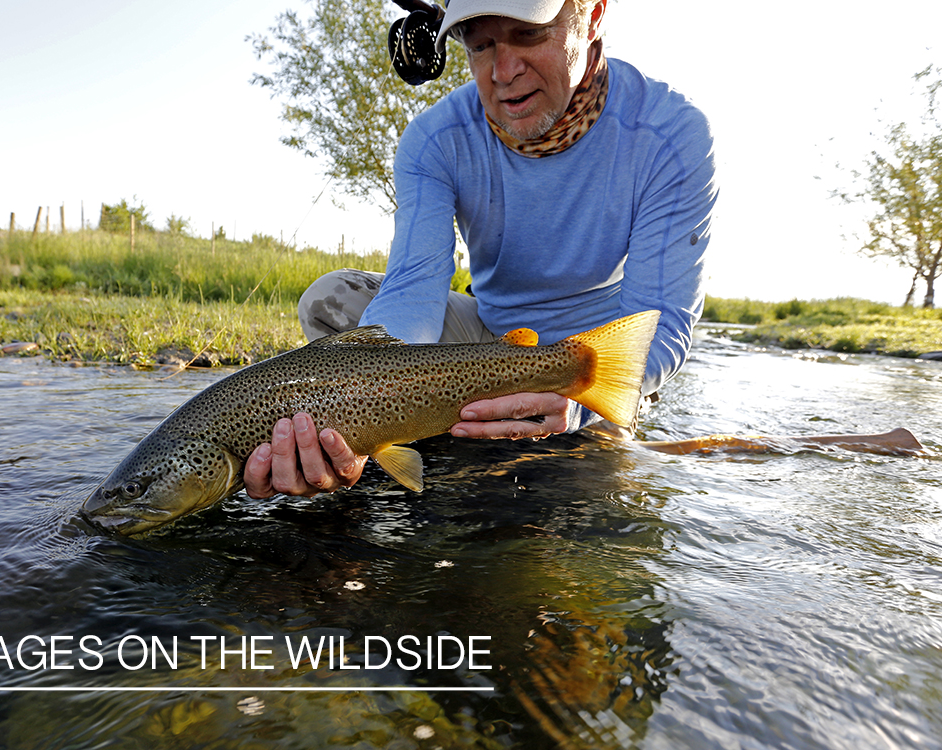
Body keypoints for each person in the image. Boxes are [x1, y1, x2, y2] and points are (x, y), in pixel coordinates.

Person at [244, 0, 718, 499]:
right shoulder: (434, 139)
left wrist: (574, 403)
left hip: (595, 353)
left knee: (590, 505)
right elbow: (412, 289)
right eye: (481, 44)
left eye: (529, 34)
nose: (503, 71)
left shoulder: (671, 135)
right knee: (332, 299)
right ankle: (422, 445)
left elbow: (659, 320)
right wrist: (364, 415)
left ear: (594, 14)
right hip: (489, 339)